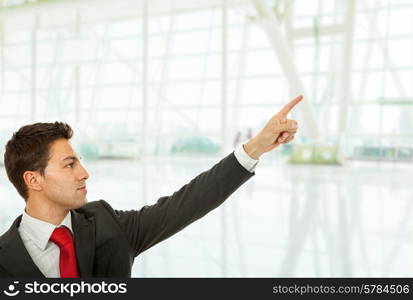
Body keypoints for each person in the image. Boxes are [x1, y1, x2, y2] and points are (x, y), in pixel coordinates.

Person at [0, 96, 302, 278]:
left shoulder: (108, 224)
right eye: (69, 165)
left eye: (79, 162)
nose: (85, 173)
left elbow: (189, 202)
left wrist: (256, 147)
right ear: (33, 179)